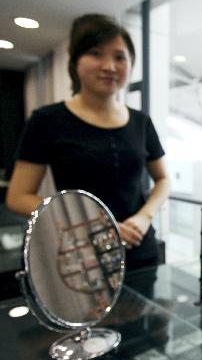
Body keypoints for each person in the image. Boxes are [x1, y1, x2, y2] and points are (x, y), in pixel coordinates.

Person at [7, 14, 170, 274]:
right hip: (82, 256)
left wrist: (144, 216)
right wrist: (89, 220)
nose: (109, 66)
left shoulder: (141, 122)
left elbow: (163, 179)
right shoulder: (47, 120)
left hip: (139, 251)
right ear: (75, 60)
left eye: (120, 57)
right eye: (96, 53)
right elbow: (18, 197)